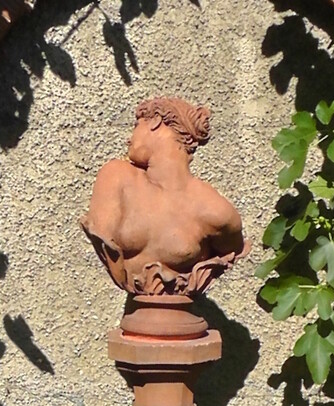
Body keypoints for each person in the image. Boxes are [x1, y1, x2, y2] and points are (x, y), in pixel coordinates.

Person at [81, 97, 247, 295]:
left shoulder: (215, 210)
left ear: (155, 122)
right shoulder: (117, 177)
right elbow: (102, 235)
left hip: (183, 320)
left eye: (136, 126)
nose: (129, 139)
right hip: (137, 321)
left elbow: (231, 250)